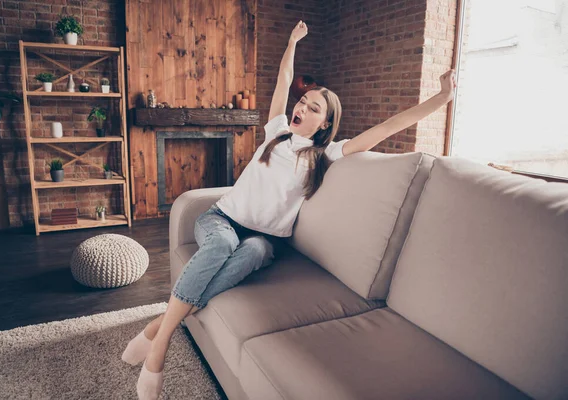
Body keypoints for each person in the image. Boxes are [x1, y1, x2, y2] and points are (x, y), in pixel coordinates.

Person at [123, 20, 457, 400]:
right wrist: (291, 43)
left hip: (265, 240)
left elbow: (386, 128)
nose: (301, 107)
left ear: (325, 122)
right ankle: (160, 346)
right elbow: (284, 79)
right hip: (221, 219)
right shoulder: (276, 132)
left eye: (313, 107)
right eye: (302, 101)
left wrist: (441, 99)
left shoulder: (326, 154)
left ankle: (155, 327)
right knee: (219, 247)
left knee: (253, 251)